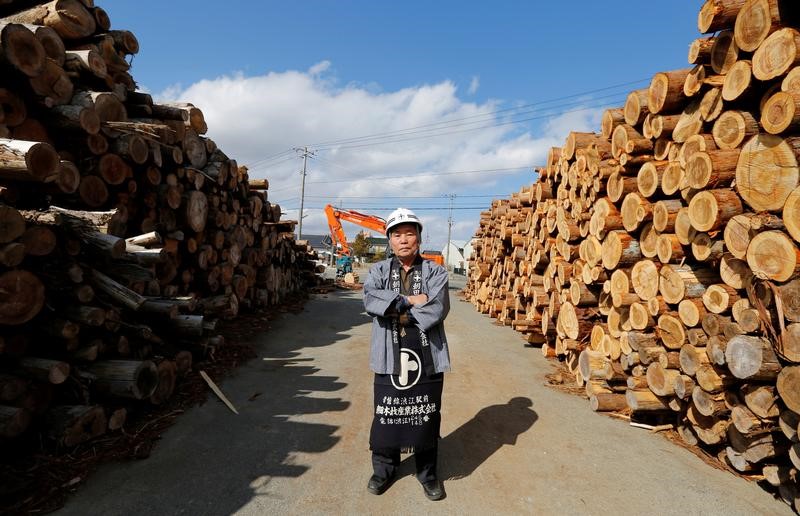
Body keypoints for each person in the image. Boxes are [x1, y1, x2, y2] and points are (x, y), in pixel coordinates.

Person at [363, 207, 451, 501]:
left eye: (409, 234)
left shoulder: (436, 271)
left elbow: (437, 307)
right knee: (386, 412)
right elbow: (371, 299)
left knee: (425, 414)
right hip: (388, 352)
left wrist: (395, 307)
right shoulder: (377, 271)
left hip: (427, 353)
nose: (403, 240)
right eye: (397, 235)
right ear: (389, 241)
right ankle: (383, 470)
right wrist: (412, 299)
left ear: (418, 238)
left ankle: (428, 474)